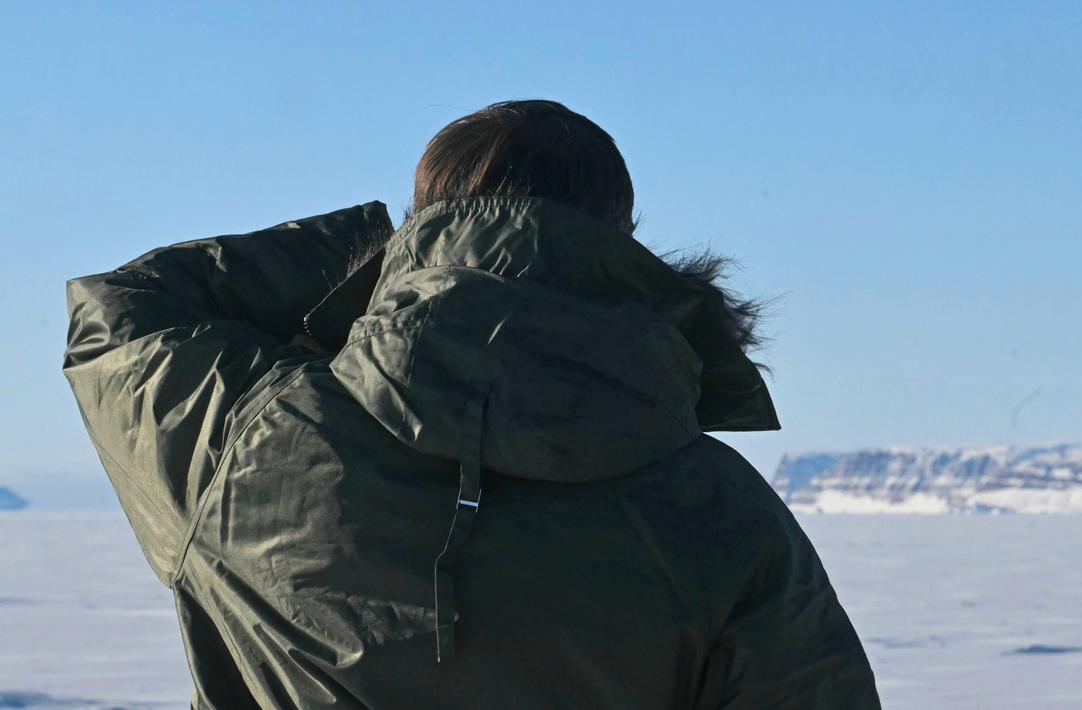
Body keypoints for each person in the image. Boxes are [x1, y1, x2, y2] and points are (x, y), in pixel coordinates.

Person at [62, 99, 881, 709]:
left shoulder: (249, 440)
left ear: (422, 230)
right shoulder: (718, 507)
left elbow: (120, 312)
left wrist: (376, 255)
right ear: (622, 242)